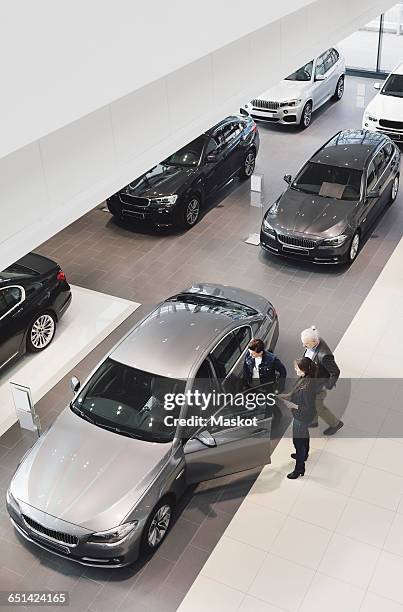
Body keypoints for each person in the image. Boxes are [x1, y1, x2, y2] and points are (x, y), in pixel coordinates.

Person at [301, 326, 343, 436]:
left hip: (318, 386)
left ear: (315, 341)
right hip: (311, 381)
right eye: (303, 343)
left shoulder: (324, 355)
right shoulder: (313, 341)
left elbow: (335, 372)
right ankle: (314, 422)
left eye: (306, 344)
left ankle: (335, 424)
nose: (304, 346)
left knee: (318, 407)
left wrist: (327, 385)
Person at [280, 357, 318, 479]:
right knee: (304, 435)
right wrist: (285, 396)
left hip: (302, 417)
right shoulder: (305, 379)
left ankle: (299, 469)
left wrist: (293, 406)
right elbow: (295, 392)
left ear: (304, 370)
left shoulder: (307, 388)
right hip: (302, 417)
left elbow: (309, 408)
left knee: (298, 443)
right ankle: (305, 454)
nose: (295, 370)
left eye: (297, 368)